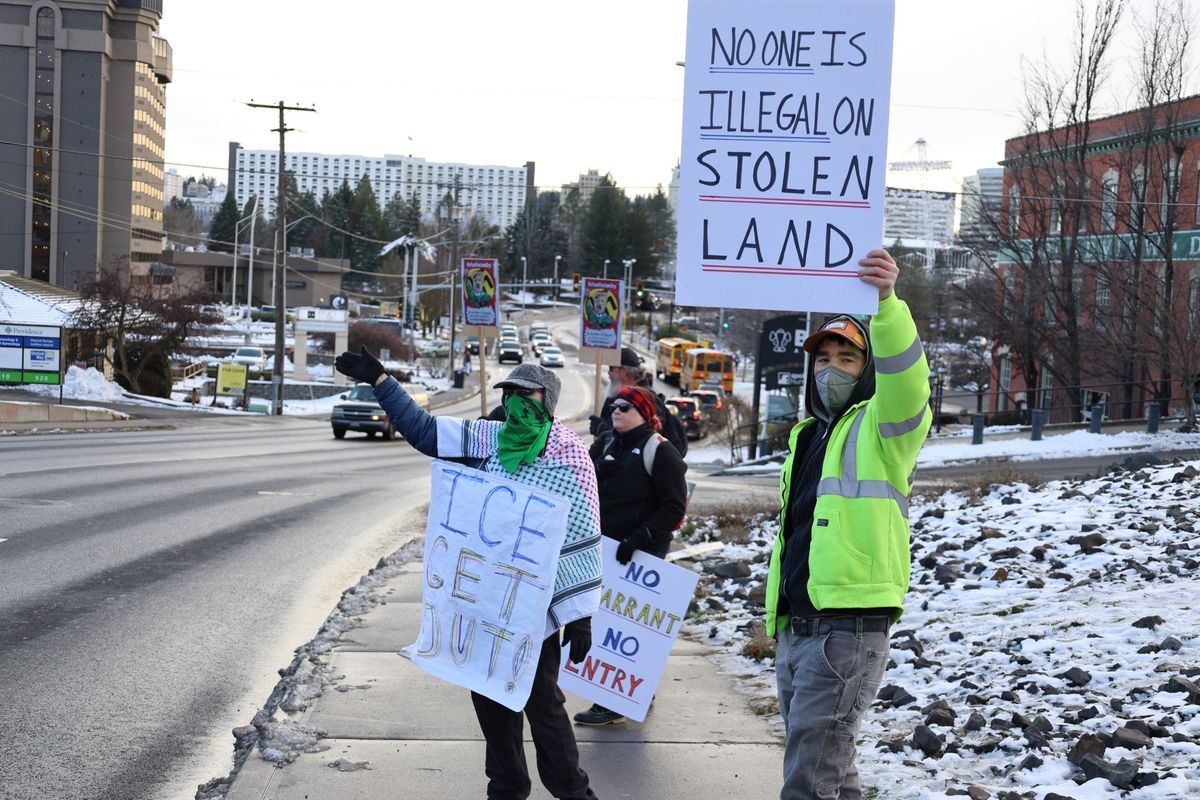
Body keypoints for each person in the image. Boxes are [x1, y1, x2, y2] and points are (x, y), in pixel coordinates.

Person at [333, 353, 602, 800]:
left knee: (543, 708)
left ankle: (573, 792)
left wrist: (581, 615)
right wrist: (383, 380)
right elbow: (424, 430)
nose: (515, 402)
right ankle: (507, 788)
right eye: (509, 393)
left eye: (525, 394)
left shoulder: (571, 457)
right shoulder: (489, 438)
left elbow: (585, 534)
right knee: (490, 699)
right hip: (486, 603)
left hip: (534, 613)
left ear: (547, 401)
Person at [765, 248, 931, 800]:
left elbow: (908, 379)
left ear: (869, 371)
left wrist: (886, 302)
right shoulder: (806, 436)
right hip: (799, 625)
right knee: (830, 767)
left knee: (809, 778)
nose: (831, 367)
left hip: (848, 628)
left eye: (847, 358)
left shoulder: (885, 427)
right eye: (824, 357)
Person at [574, 386, 688, 727]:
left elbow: (675, 508)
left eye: (625, 407)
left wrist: (640, 537)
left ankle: (611, 701)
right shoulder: (605, 443)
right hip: (604, 551)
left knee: (626, 631)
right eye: (614, 406)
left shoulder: (661, 452)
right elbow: (580, 484)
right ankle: (633, 690)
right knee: (603, 623)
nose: (616, 411)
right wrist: (596, 472)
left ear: (643, 413)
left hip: (641, 555)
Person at [590, 347, 688, 457]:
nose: (608, 373)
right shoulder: (617, 395)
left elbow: (642, 436)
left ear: (624, 370)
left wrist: (602, 428)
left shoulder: (647, 400)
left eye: (611, 368)